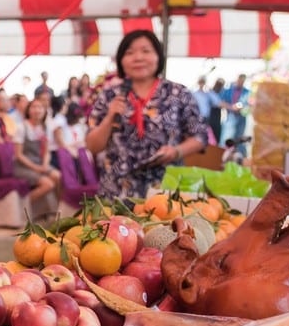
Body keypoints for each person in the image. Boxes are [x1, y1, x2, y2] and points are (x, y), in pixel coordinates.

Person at [86, 30, 209, 199]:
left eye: (146, 51)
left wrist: (176, 151)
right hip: (116, 191)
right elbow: (92, 146)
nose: (138, 58)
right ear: (121, 60)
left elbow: (200, 137)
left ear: (158, 56)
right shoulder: (109, 95)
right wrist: (109, 117)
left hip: (165, 190)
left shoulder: (177, 93)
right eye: (130, 52)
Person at [12, 99, 60, 218]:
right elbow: (18, 155)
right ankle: (23, 208)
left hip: (39, 164)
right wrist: (37, 168)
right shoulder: (22, 127)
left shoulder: (44, 127)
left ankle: (55, 211)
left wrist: (44, 164)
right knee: (48, 184)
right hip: (22, 166)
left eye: (40, 107)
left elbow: (47, 151)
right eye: (34, 107)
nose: (37, 110)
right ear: (29, 110)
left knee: (58, 176)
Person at [220, 73, 251, 157]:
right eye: (240, 80)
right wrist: (231, 107)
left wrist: (242, 107)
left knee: (239, 140)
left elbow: (249, 104)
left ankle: (240, 159)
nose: (241, 82)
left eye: (243, 81)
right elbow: (220, 102)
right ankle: (223, 157)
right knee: (226, 139)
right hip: (230, 116)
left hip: (241, 117)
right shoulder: (227, 90)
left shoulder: (247, 92)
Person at [192, 76, 220, 144]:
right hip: (196, 118)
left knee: (207, 137)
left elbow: (218, 102)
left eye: (203, 82)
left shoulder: (208, 94)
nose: (202, 84)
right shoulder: (193, 93)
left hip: (205, 119)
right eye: (200, 82)